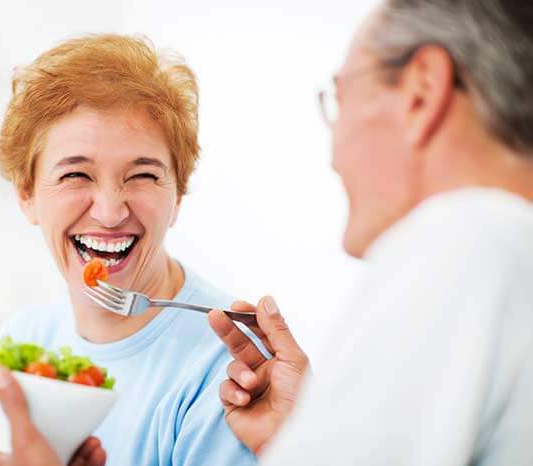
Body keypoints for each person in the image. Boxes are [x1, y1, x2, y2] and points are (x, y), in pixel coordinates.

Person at [211, 0, 533, 464]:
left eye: (340, 100)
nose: (333, 154)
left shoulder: (465, 240)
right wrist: (301, 436)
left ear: (422, 93)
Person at [0, 34, 259, 466]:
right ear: (26, 195)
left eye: (143, 176)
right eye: (76, 174)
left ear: (179, 195)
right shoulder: (22, 341)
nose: (111, 213)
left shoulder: (231, 373)